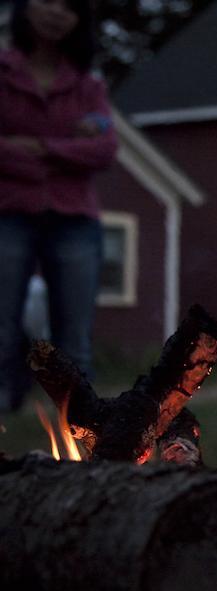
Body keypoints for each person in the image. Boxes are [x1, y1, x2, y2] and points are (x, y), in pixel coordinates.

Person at [0, 0, 117, 413]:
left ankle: (82, 432)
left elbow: (105, 149)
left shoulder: (87, 84)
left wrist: (37, 147)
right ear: (25, 7)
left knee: (74, 339)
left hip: (74, 218)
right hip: (8, 212)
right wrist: (67, 152)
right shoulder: (4, 71)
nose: (56, 12)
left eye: (69, 6)